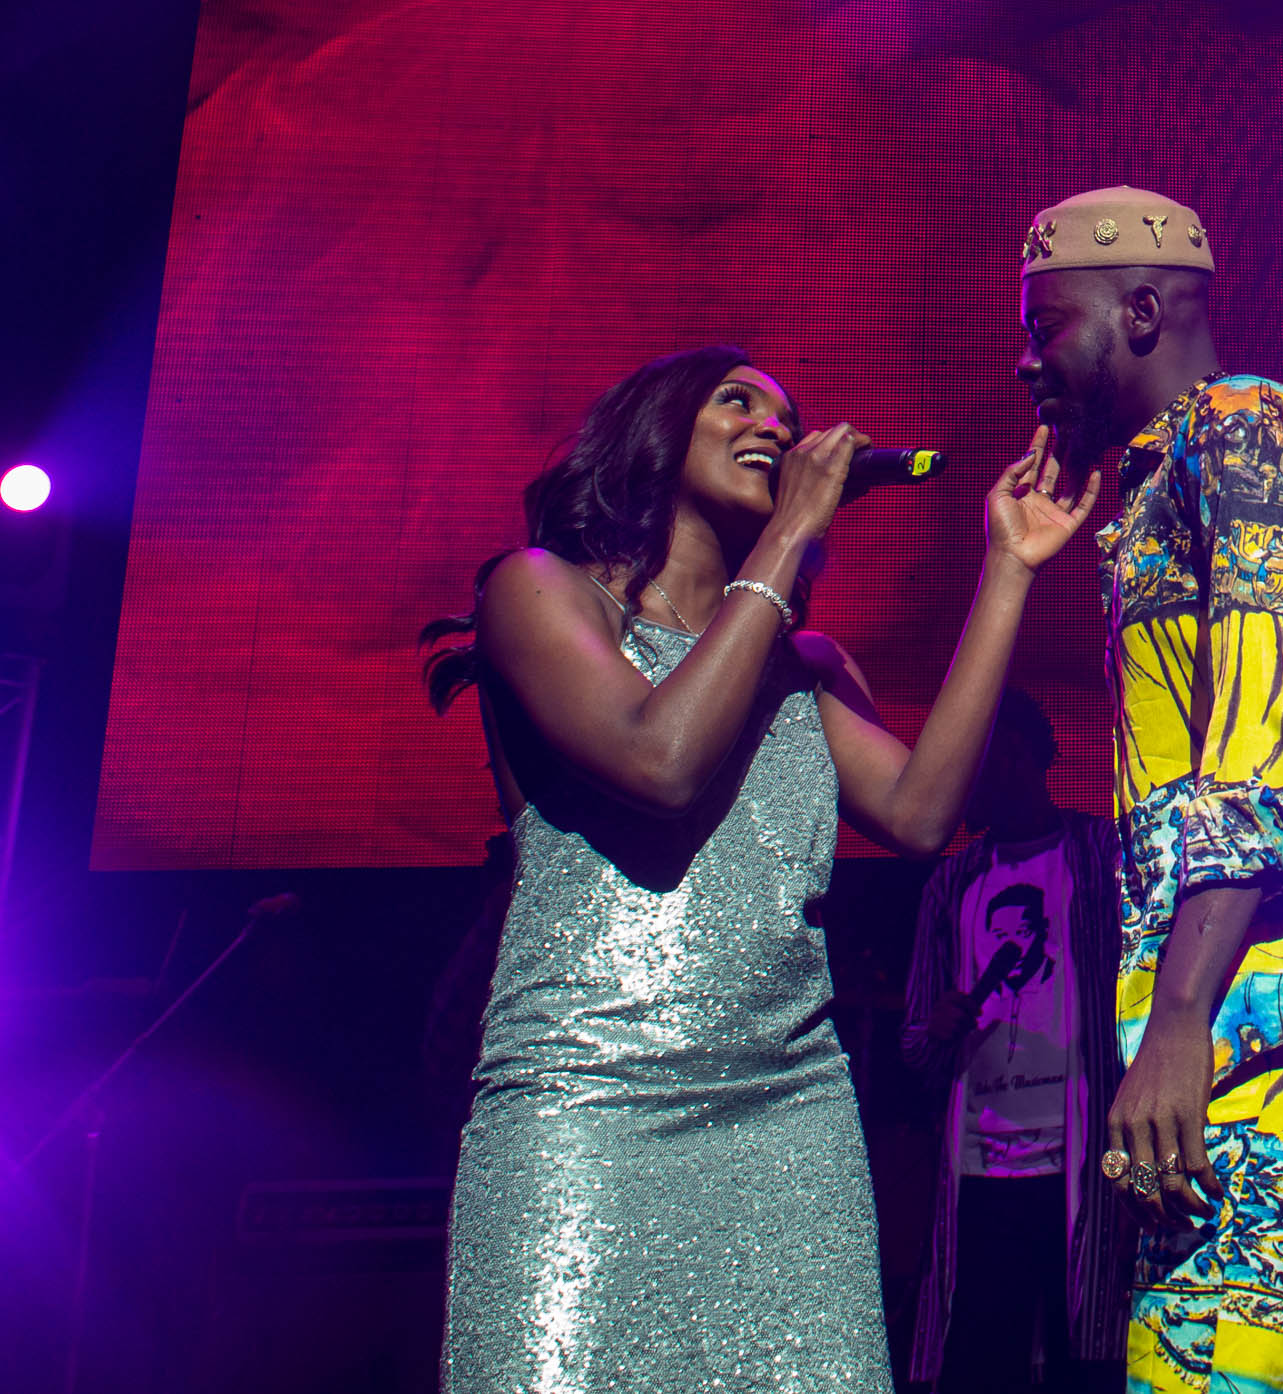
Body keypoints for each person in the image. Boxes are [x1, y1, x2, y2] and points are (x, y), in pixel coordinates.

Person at [421, 346, 1099, 1391]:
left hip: (788, 1115)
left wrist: (1007, 569)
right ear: (653, 430)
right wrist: (789, 533)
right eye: (737, 401)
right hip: (583, 1104)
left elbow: (923, 814)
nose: (774, 428)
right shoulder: (538, 590)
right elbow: (660, 760)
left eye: (787, 416)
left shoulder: (801, 667)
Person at [1015, 187, 1283, 1393]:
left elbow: (1261, 754)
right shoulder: (1170, 470)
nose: (1025, 361)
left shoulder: (1248, 431)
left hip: (1258, 1018)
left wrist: (1176, 1021)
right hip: (1247, 1019)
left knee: (1212, 1363)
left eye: (1045, 326)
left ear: (1139, 310)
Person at [900, 689, 1128, 1393]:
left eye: (986, 752)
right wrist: (937, 1027)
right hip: (981, 1169)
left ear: (1025, 754)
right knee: (979, 1357)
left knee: (1090, 1348)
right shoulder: (953, 882)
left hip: (1095, 1163)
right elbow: (914, 1045)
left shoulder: (1100, 855)